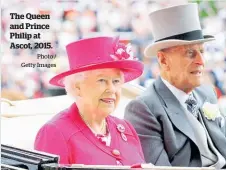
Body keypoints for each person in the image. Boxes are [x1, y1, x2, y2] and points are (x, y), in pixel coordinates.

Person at [124, 3, 226, 169]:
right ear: (163, 60)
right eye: (190, 53)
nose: (201, 61)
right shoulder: (143, 109)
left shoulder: (205, 93)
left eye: (202, 51)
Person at [34, 36, 145, 165]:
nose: (112, 89)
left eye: (116, 81)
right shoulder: (54, 132)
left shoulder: (126, 129)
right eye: (102, 80)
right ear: (78, 87)